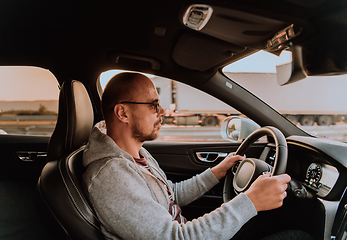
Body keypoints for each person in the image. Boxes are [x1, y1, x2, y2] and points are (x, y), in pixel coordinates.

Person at [82, 72, 310, 240]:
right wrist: (250, 201)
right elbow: (176, 238)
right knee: (299, 237)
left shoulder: (135, 154)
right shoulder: (111, 175)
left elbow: (171, 195)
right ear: (122, 112)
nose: (162, 112)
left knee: (275, 224)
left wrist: (217, 171)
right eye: (153, 105)